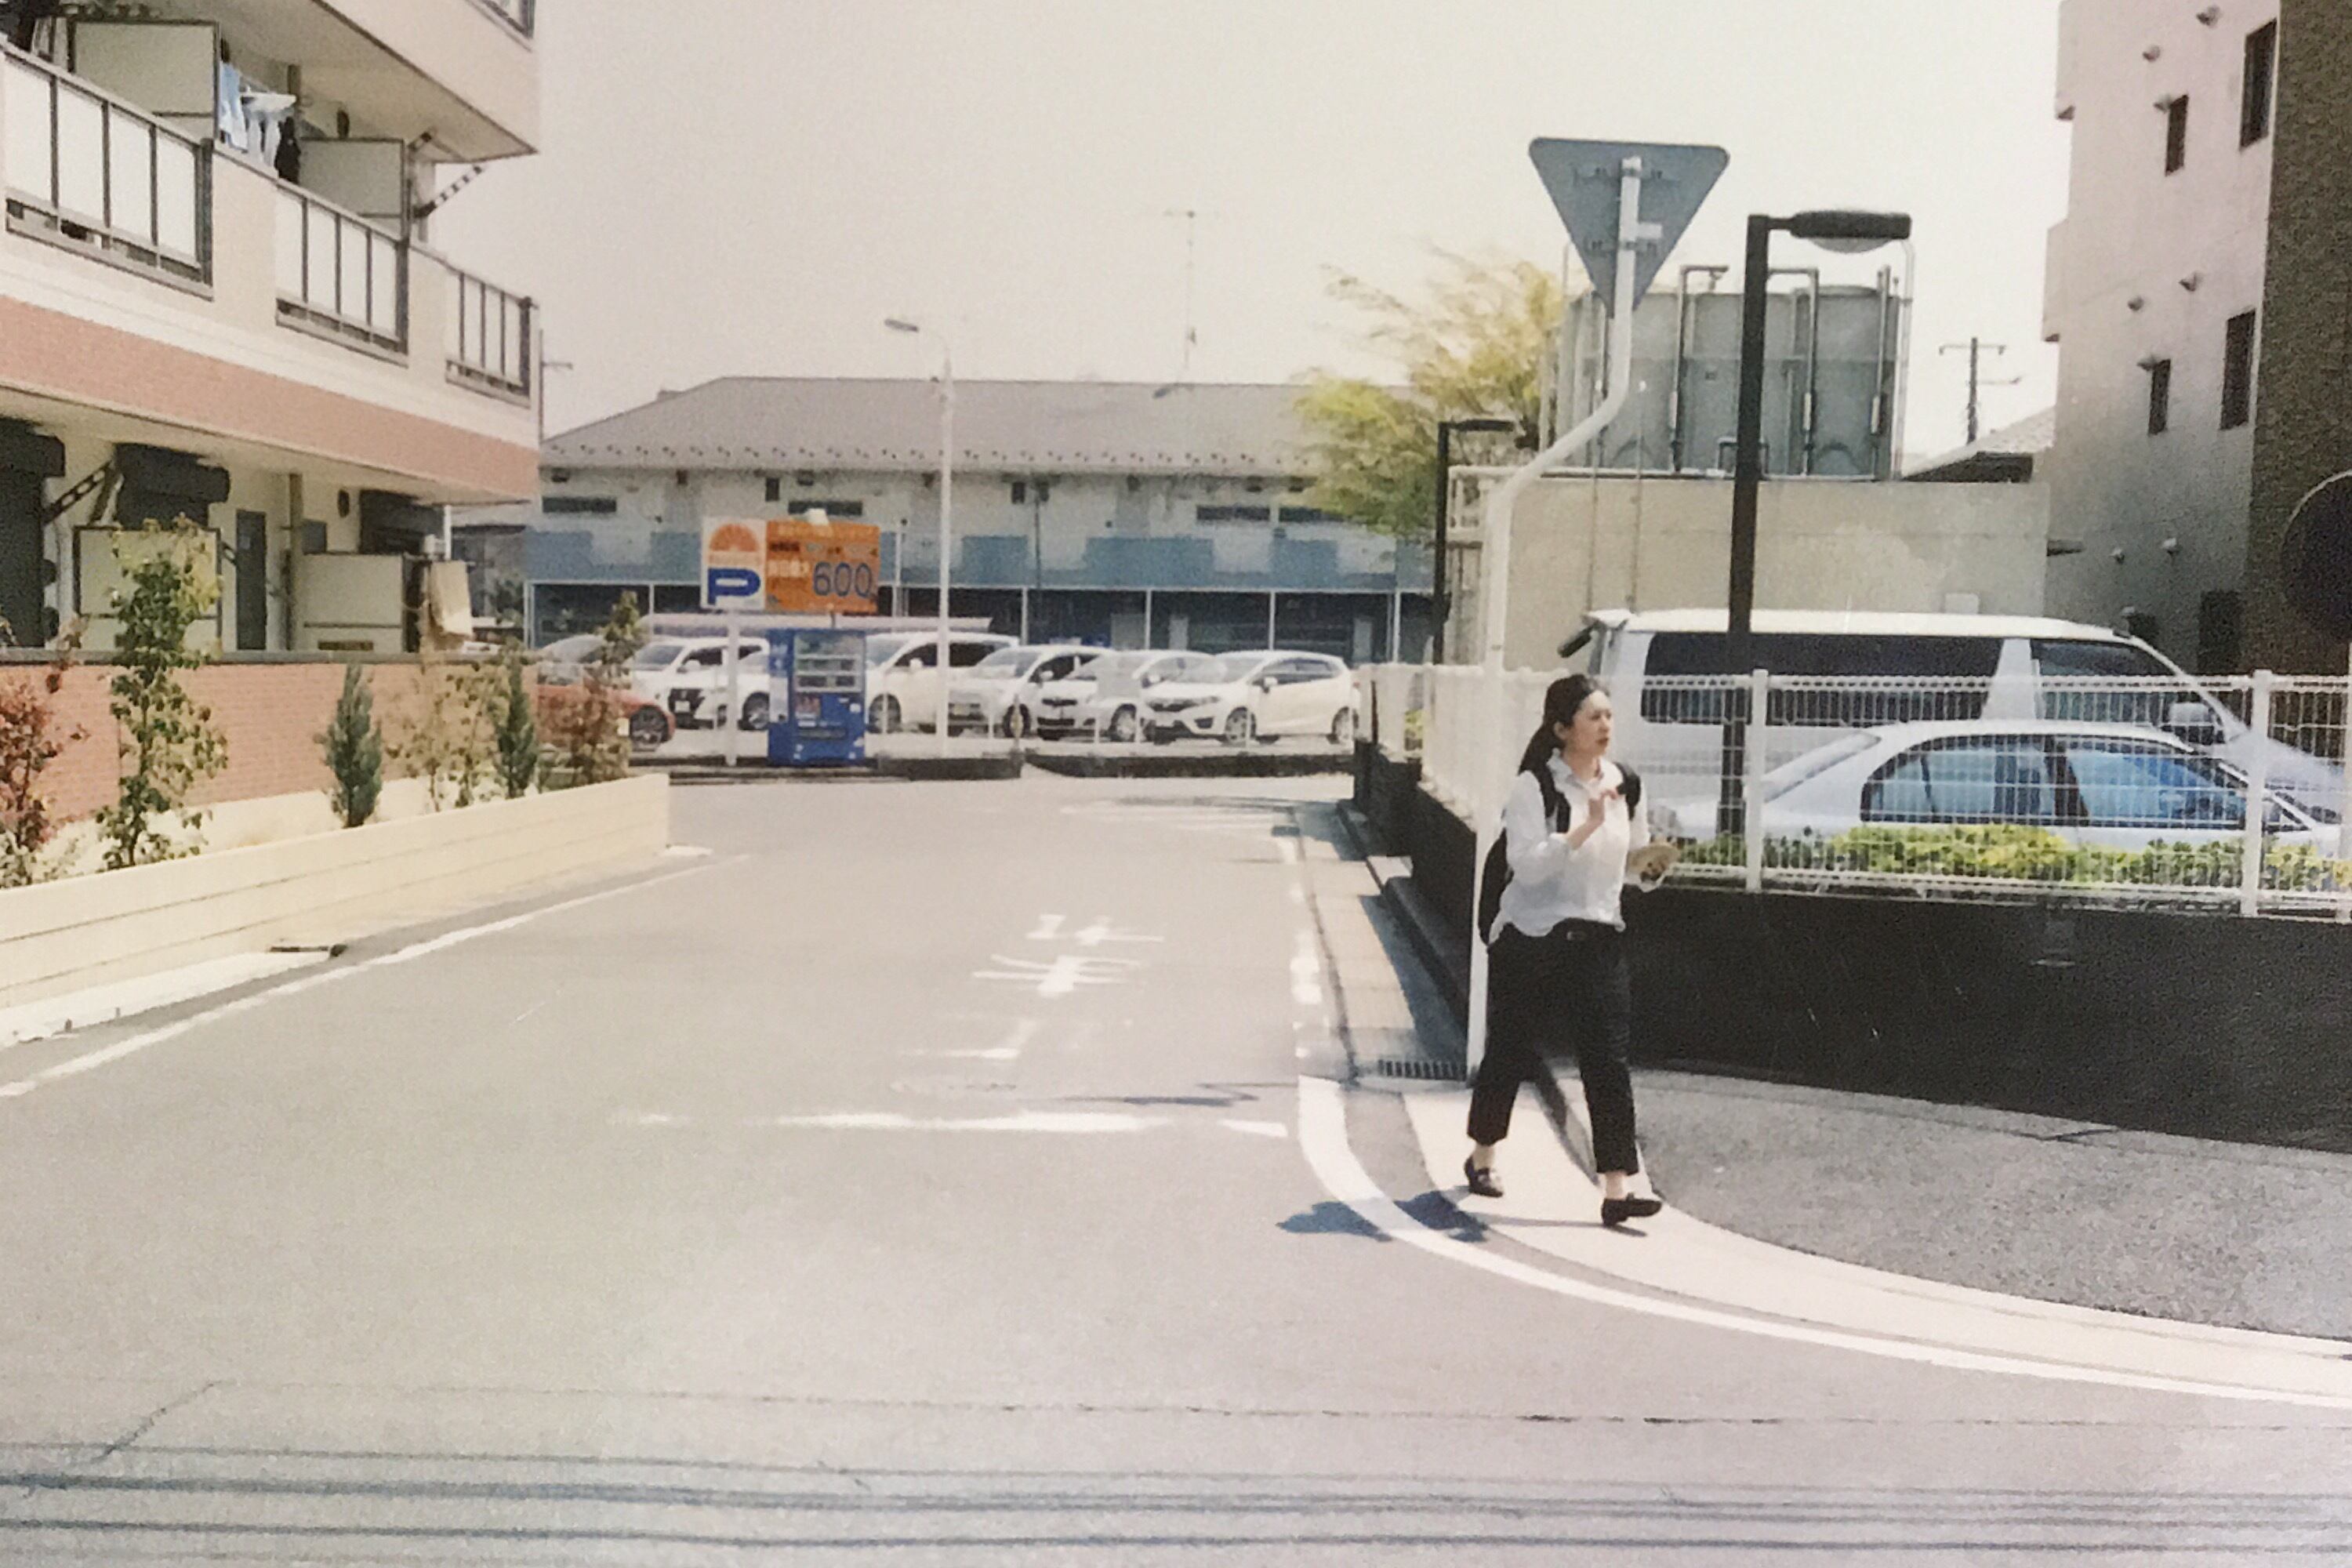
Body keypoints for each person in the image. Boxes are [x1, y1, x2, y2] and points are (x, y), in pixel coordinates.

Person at [1464, 672, 1664, 1229]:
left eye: (1608, 716)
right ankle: (1482, 1155)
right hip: (1534, 937)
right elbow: (1526, 867)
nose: (1605, 726)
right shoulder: (1534, 788)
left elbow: (1631, 860)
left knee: (1608, 1062)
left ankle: (1617, 1189)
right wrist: (1584, 828)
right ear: (1561, 729)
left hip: (1599, 935)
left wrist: (1650, 870)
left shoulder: (1626, 783)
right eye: (1593, 717)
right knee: (1510, 1051)